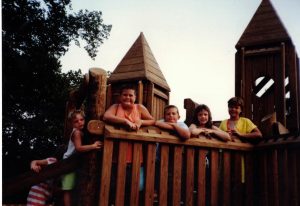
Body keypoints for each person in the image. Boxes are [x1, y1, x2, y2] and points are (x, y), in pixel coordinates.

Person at [103, 84, 155, 203]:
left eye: (130, 95)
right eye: (125, 95)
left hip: (137, 158)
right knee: (115, 188)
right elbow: (106, 116)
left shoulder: (139, 108)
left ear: (135, 97)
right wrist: (125, 121)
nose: (128, 97)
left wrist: (141, 121)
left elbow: (152, 120)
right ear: (120, 97)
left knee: (137, 187)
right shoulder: (116, 107)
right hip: (116, 158)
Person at [62, 110, 102, 206]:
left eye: (82, 119)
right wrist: (93, 146)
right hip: (67, 162)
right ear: (71, 123)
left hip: (72, 162)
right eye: (76, 121)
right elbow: (79, 148)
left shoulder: (80, 132)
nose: (80, 122)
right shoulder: (76, 133)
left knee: (72, 187)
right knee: (67, 188)